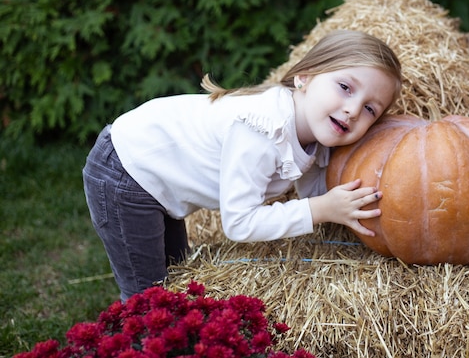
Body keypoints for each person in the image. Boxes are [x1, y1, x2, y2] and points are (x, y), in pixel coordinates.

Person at [82, 30, 403, 301]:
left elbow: (321, 191)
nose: (351, 110)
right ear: (305, 76)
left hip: (154, 178)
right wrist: (321, 209)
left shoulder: (317, 137)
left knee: (176, 281)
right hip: (127, 171)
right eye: (345, 88)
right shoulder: (263, 132)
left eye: (370, 109)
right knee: (148, 298)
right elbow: (239, 223)